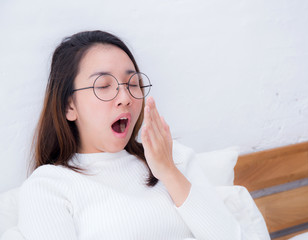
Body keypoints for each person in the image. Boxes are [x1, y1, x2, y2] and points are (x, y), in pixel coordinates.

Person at [3, 30, 244, 240]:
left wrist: (168, 170)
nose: (126, 98)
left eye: (133, 84)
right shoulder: (49, 186)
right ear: (69, 106)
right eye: (104, 85)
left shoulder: (174, 158)